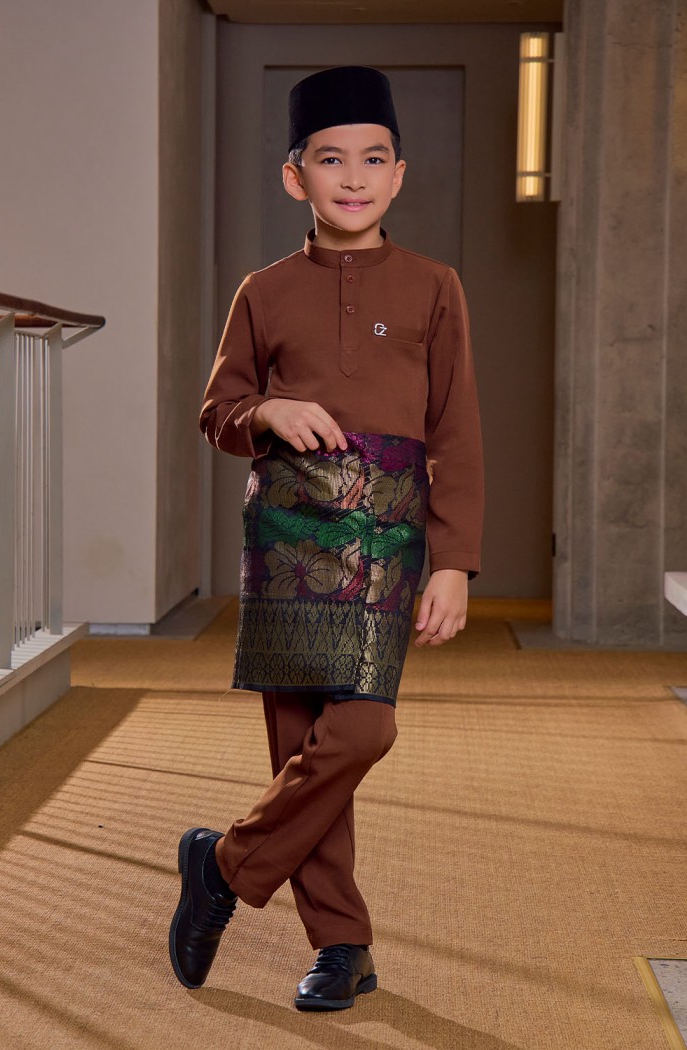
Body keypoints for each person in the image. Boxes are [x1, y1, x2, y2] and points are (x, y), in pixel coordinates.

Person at [168, 65, 484, 1012]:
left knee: (363, 727)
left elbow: (458, 431)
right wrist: (268, 409)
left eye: (373, 159)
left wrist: (455, 560)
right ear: (294, 175)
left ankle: (223, 865)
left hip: (386, 536)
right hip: (288, 534)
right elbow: (217, 412)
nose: (354, 177)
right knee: (300, 744)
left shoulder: (435, 288)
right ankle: (342, 944)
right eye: (331, 159)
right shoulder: (262, 292)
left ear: (399, 175)